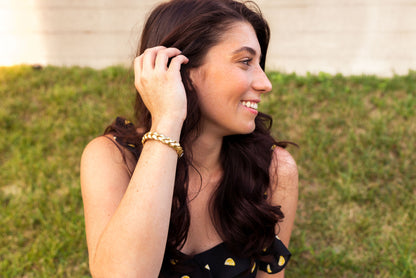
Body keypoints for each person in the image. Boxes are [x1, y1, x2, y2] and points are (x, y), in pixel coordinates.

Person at [80, 0, 298, 277]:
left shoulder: (274, 169)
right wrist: (168, 119)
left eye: (259, 63)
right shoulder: (113, 158)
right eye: (245, 62)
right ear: (180, 69)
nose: (265, 83)